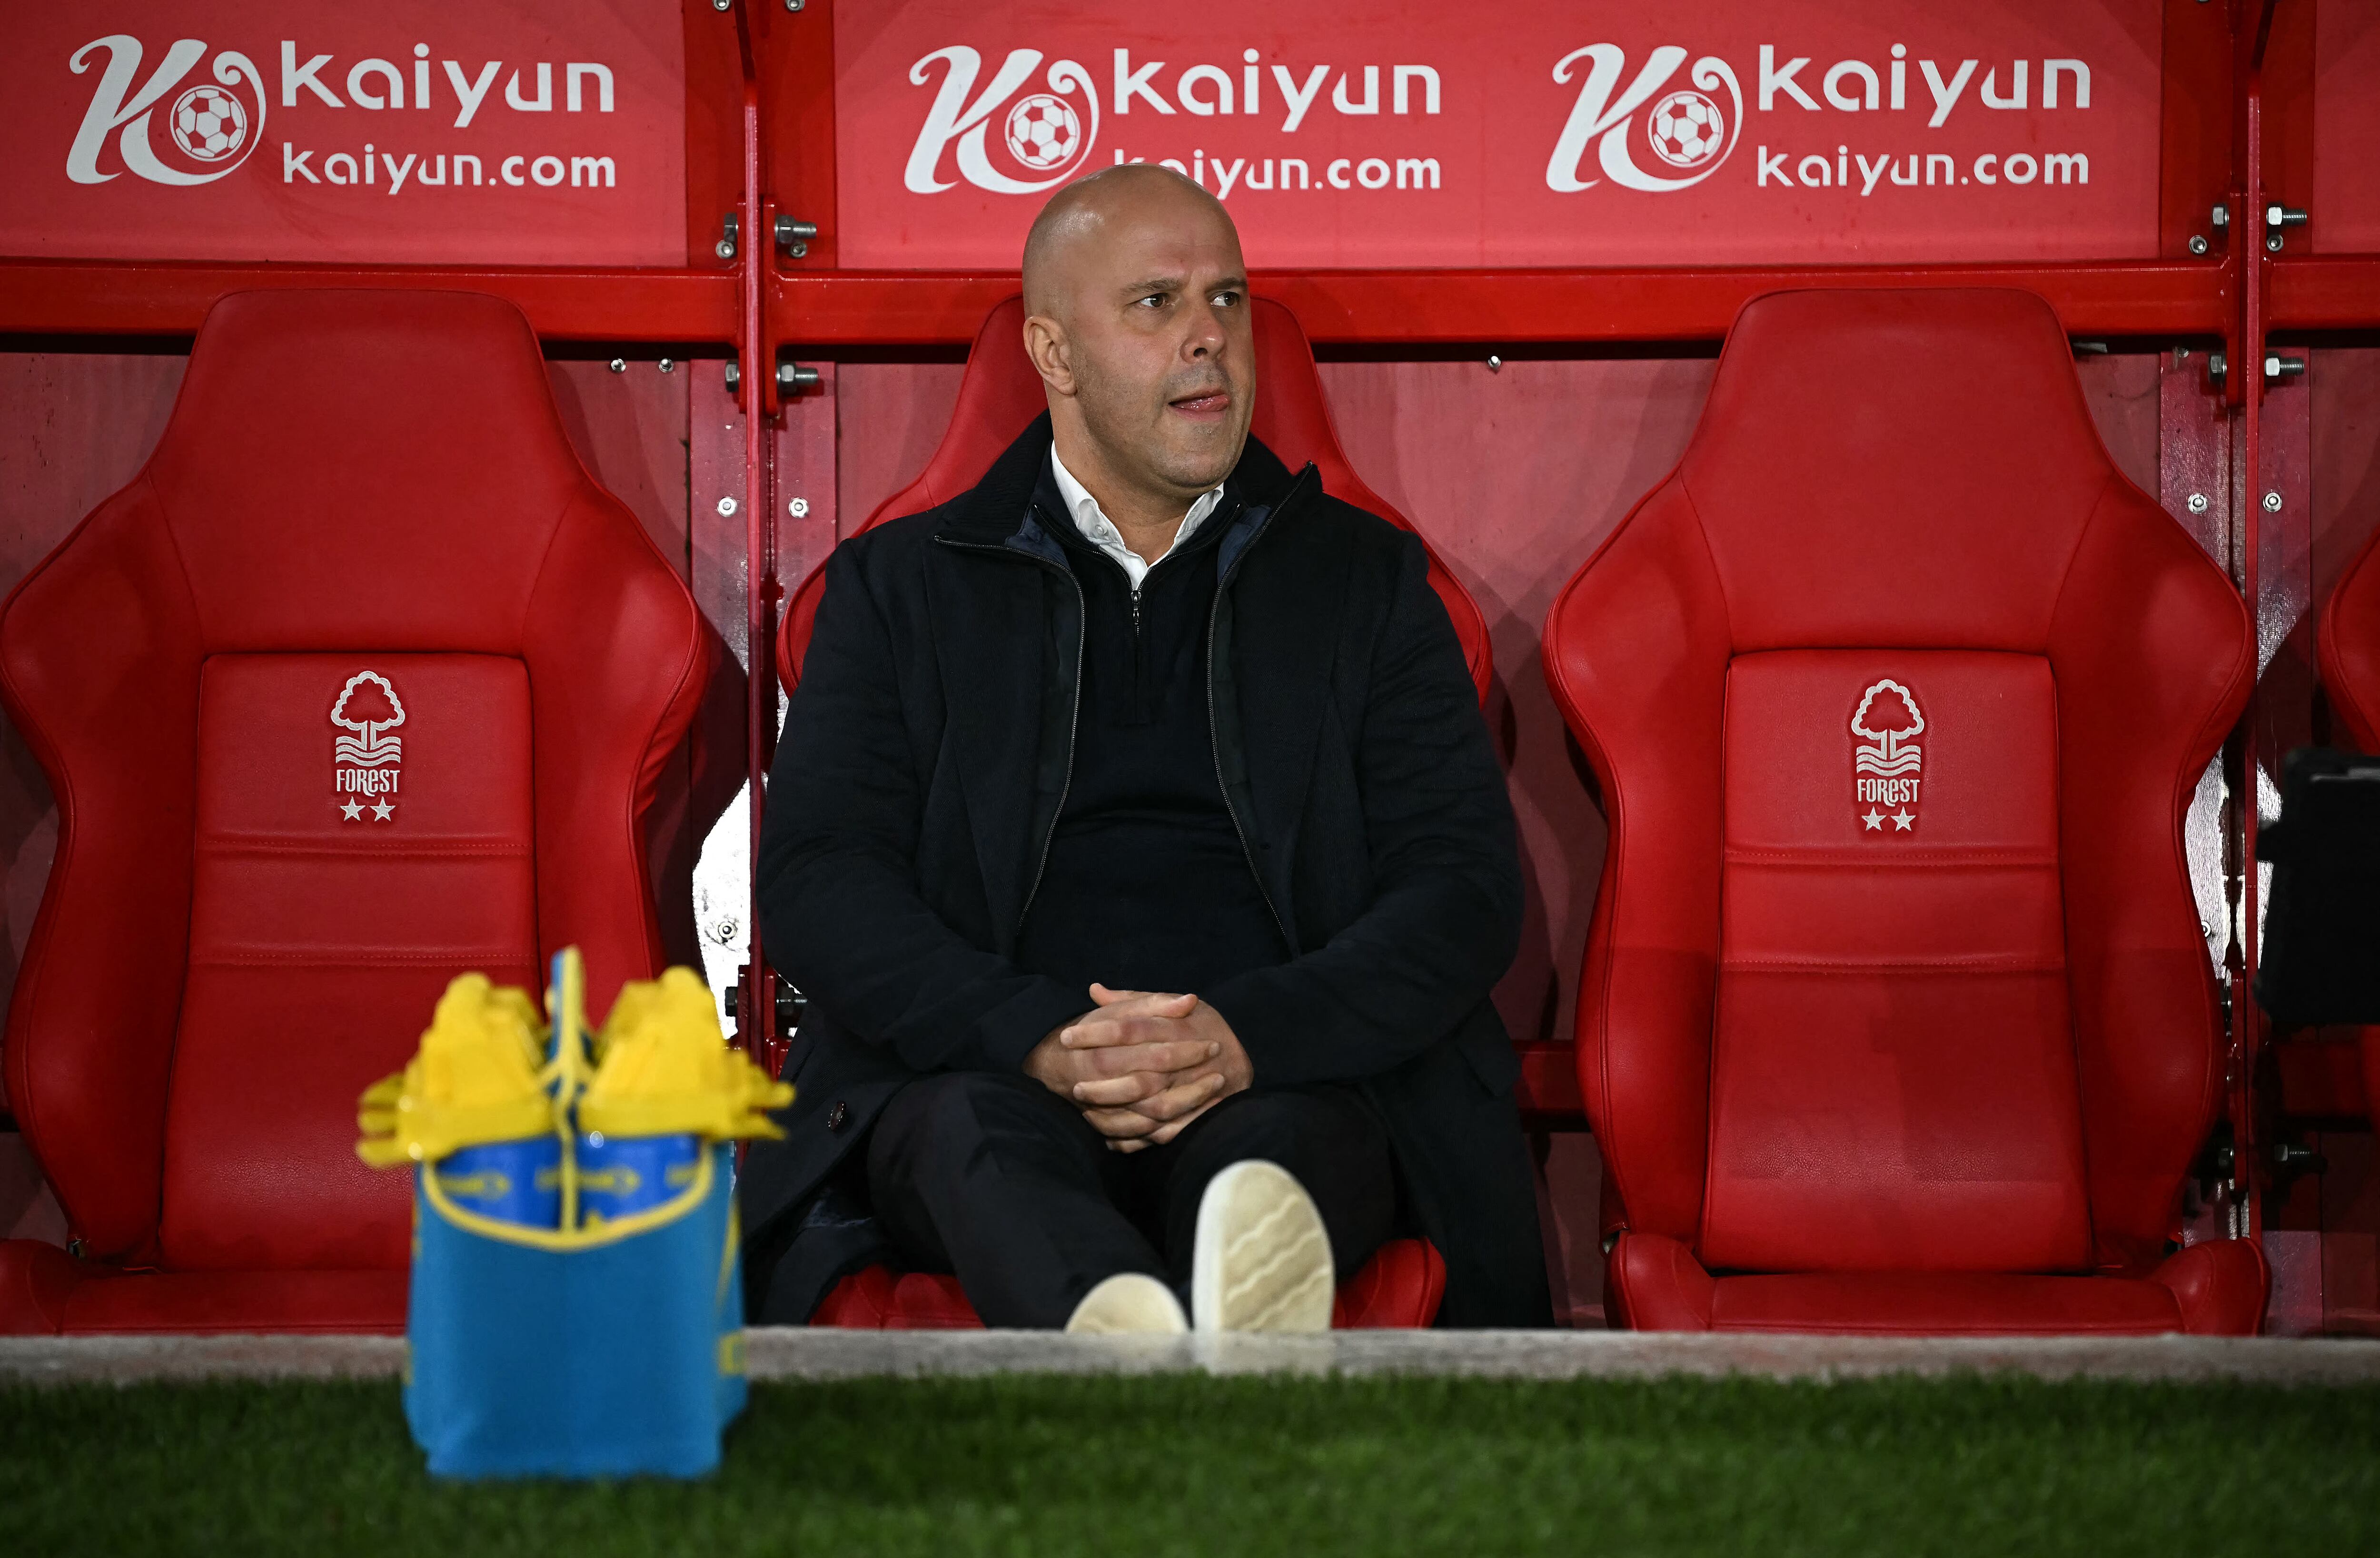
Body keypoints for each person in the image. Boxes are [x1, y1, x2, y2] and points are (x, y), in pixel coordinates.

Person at [740, 164, 1551, 1332]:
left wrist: (1245, 1038)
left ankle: (1164, 1371)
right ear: (1054, 355)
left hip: (1287, 1078)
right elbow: (821, 879)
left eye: (1226, 300)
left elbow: (1462, 888)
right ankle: (1120, 1341)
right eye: (1156, 304)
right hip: (991, 1073)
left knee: (1276, 1168)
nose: (1208, 339)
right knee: (972, 1140)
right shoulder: (899, 589)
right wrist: (1036, 1035)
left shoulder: (1366, 583)